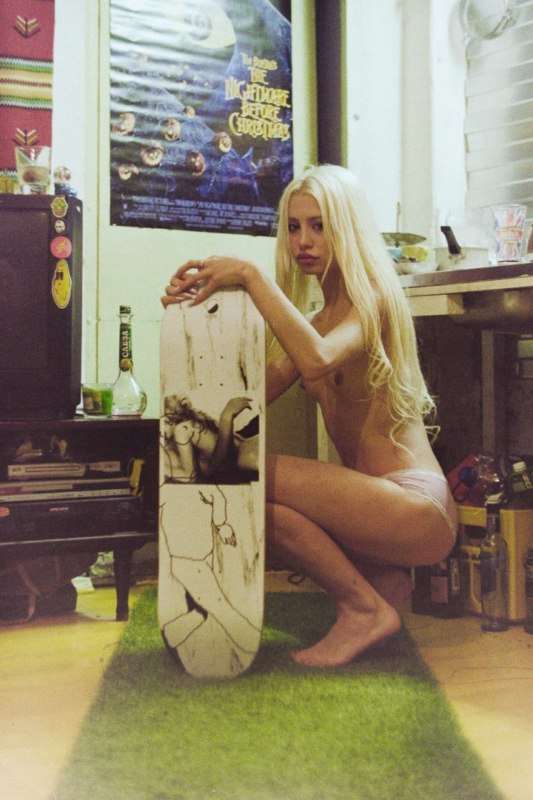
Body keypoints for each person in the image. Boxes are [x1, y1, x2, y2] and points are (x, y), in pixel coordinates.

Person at [161, 163, 458, 668]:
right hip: (375, 511)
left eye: (319, 226)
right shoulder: (318, 321)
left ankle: (363, 609)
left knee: (246, 474)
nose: (303, 241)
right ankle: (378, 591)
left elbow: (317, 358)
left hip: (414, 506)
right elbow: (250, 396)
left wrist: (250, 275)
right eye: (294, 227)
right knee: (245, 495)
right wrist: (194, 306)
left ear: (347, 228)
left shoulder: (375, 300)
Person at [162, 394, 259, 483]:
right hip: (250, 452)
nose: (160, 430)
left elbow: (190, 477)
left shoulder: (182, 430)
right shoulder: (184, 435)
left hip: (251, 455)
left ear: (172, 419)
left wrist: (226, 418)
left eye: (164, 422)